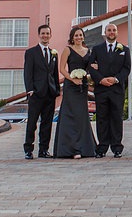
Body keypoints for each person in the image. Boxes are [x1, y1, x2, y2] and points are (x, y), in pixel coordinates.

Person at [52, 26, 97, 158]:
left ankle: (84, 148)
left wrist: (92, 71)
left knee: (81, 116)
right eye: (76, 35)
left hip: (82, 87)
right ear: (72, 37)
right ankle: (71, 149)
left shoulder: (88, 51)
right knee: (70, 115)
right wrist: (72, 79)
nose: (79, 37)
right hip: (71, 87)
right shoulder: (68, 50)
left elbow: (89, 69)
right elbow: (61, 69)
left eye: (81, 35)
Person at [89, 22, 130, 158]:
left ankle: (117, 147)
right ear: (105, 33)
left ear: (117, 33)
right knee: (102, 118)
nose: (111, 32)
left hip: (116, 89)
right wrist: (101, 80)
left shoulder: (124, 50)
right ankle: (102, 147)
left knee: (117, 118)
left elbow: (126, 68)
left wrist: (115, 79)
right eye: (109, 30)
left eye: (114, 30)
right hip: (101, 89)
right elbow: (91, 67)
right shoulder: (96, 49)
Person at [22, 23, 59, 160]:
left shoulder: (53, 53)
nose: (45, 36)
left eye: (47, 33)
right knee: (32, 123)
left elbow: (54, 74)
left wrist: (56, 90)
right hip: (36, 93)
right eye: (43, 33)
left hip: (50, 93)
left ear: (50, 35)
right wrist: (30, 90)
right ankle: (28, 149)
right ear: (39, 35)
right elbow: (27, 73)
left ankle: (43, 150)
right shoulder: (31, 53)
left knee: (47, 124)